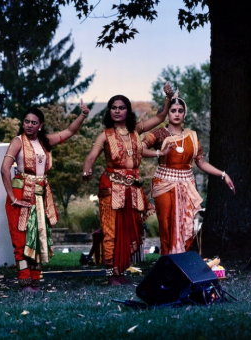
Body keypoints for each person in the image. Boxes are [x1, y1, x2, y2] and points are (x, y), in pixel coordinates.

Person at [81, 82, 172, 285]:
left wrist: (167, 98)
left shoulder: (135, 130)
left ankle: (120, 271)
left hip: (133, 189)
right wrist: (86, 169)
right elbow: (91, 156)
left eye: (121, 107)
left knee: (131, 229)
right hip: (111, 188)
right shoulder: (104, 135)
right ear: (109, 111)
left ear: (127, 111)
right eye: (114, 107)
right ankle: (112, 274)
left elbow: (159, 117)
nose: (117, 111)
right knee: (111, 229)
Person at [0, 102, 90, 291]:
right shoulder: (17, 141)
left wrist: (83, 115)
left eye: (34, 122)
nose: (30, 125)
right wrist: (12, 196)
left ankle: (35, 281)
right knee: (22, 238)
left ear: (40, 125)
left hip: (40, 195)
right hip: (21, 193)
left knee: (39, 238)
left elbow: (69, 132)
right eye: (27, 121)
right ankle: (24, 282)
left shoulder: (45, 141)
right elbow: (4, 169)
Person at [142, 93, 235, 255]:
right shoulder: (159, 133)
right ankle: (166, 264)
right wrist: (160, 153)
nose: (177, 114)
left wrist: (223, 174)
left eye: (180, 110)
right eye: (173, 110)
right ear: (168, 114)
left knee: (187, 225)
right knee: (166, 224)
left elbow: (201, 162)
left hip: (187, 184)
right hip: (164, 183)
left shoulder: (192, 136)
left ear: (185, 113)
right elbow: (139, 149)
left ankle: (184, 266)